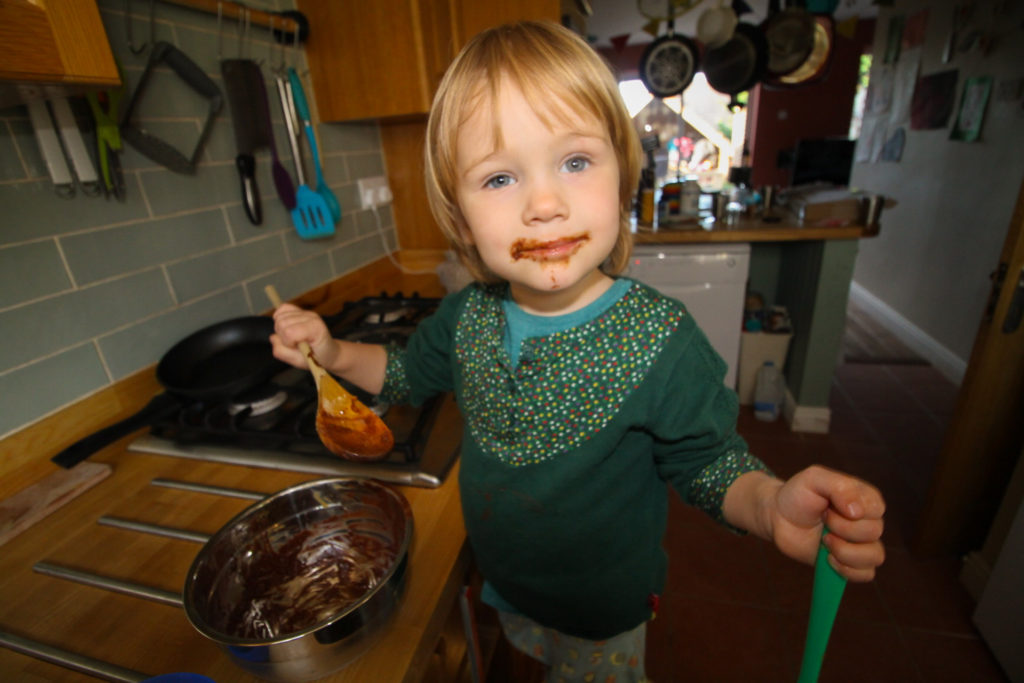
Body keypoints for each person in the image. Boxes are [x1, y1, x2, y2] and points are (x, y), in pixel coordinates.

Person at [270, 20, 885, 683]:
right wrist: (332, 351)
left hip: (604, 610)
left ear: (622, 176)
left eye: (575, 161)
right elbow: (403, 373)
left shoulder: (660, 339)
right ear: (460, 217)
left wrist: (769, 505)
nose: (544, 203)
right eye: (500, 178)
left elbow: (708, 462)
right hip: (510, 584)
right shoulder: (466, 316)